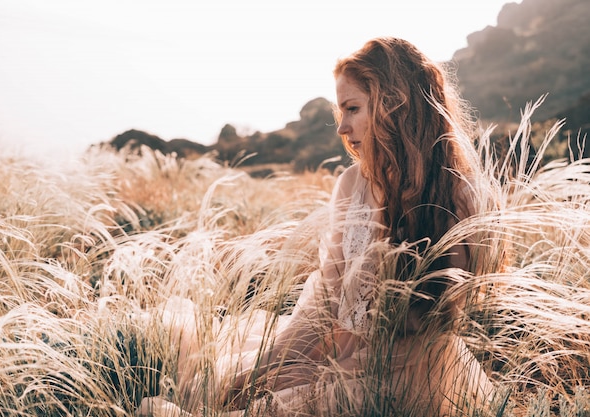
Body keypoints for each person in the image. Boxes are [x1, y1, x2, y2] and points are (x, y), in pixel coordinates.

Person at [135, 37, 500, 417]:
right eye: (340, 112)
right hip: (334, 357)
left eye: (352, 108)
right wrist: (267, 365)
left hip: (408, 379)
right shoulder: (352, 184)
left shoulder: (457, 194)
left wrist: (343, 372)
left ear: (394, 106)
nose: (342, 128)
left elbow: (434, 319)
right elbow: (326, 299)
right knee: (227, 389)